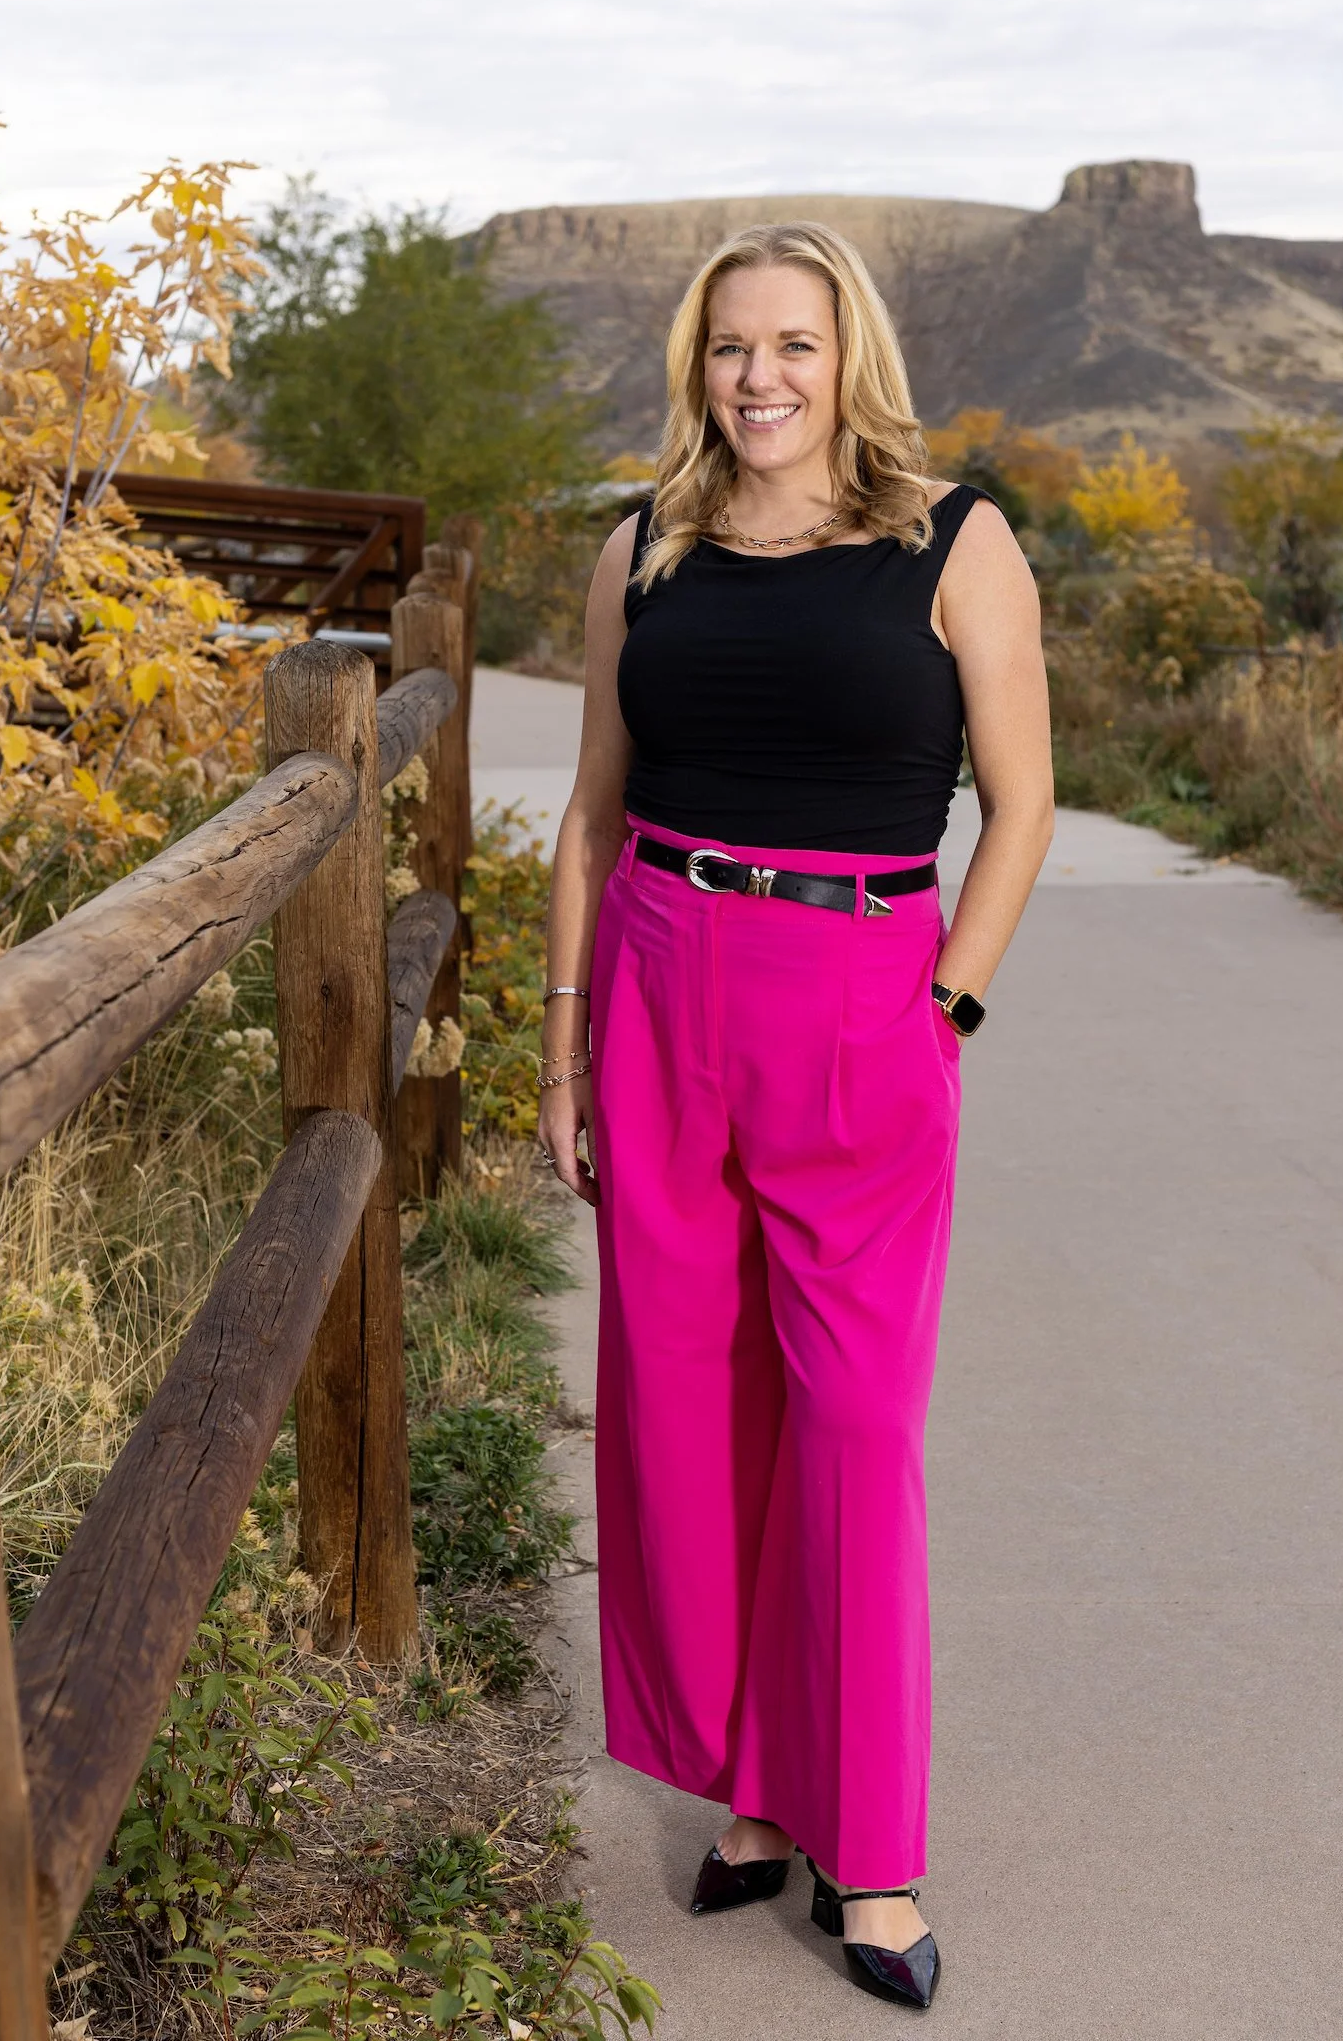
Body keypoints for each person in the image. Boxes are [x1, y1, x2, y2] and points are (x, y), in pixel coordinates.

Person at [538, 220, 1053, 2011]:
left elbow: (1023, 802)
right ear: (698, 364)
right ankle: (760, 1796)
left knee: (850, 1420)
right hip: (658, 978)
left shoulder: (954, 539)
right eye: (730, 345)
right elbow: (592, 813)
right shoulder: (643, 548)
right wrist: (561, 1046)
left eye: (794, 345)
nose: (759, 376)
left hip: (859, 994)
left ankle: (875, 1854)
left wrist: (947, 1006)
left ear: (852, 363)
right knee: (693, 1412)